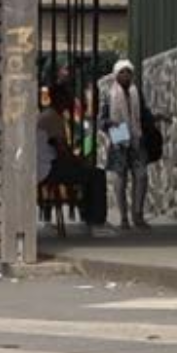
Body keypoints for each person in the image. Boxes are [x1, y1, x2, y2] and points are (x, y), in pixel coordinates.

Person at [100, 59, 155, 231]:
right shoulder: (110, 94)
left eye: (128, 72)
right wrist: (111, 123)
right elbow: (101, 120)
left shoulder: (136, 92)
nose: (125, 75)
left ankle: (137, 215)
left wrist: (155, 118)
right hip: (119, 137)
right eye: (122, 72)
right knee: (120, 179)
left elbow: (144, 114)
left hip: (136, 138)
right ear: (116, 75)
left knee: (142, 176)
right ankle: (124, 217)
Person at [38, 84, 102, 232]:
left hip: (45, 165)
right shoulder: (53, 118)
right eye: (66, 98)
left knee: (87, 173)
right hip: (49, 168)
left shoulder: (48, 115)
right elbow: (61, 150)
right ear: (60, 99)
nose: (68, 102)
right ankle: (96, 220)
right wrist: (76, 161)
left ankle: (87, 214)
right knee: (96, 175)